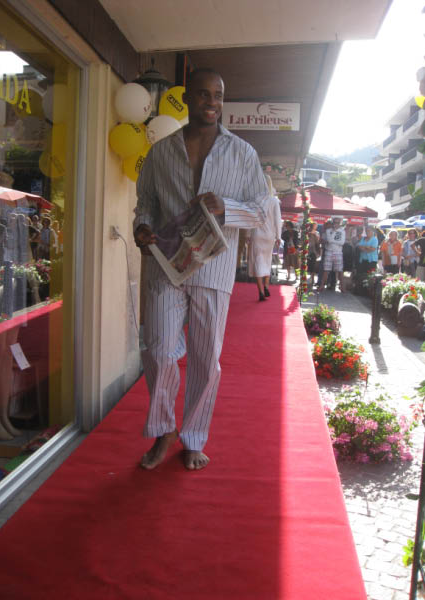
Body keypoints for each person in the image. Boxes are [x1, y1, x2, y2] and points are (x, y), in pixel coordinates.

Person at [133, 67, 267, 471]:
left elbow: (261, 211)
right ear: (188, 97)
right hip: (167, 265)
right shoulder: (161, 152)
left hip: (214, 267)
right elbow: (146, 203)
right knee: (158, 350)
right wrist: (142, 227)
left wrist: (227, 206)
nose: (212, 103)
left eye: (218, 95)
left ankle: (193, 437)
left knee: (206, 359)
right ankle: (164, 430)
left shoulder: (243, 153)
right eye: (205, 94)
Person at [246, 174, 281, 301]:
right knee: (267, 259)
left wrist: (248, 234)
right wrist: (278, 236)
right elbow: (278, 220)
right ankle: (266, 285)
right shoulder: (274, 201)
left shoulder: (255, 200)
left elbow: (250, 218)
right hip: (270, 235)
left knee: (258, 260)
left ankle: (261, 291)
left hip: (257, 234)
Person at [318, 215, 346, 292]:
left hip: (338, 252)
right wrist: (334, 232)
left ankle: (342, 287)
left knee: (340, 270)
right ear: (333, 222)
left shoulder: (342, 231)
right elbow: (330, 240)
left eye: (338, 222)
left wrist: (333, 240)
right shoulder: (328, 230)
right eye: (335, 222)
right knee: (326, 270)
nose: (336, 224)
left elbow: (342, 242)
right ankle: (322, 286)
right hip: (329, 251)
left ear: (340, 223)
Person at [307, 221, 321, 288]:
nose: (315, 227)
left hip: (314, 251)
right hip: (307, 250)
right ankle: (307, 278)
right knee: (307, 265)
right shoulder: (307, 232)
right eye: (314, 225)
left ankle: (312, 279)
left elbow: (318, 242)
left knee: (313, 265)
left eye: (316, 225)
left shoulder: (317, 233)